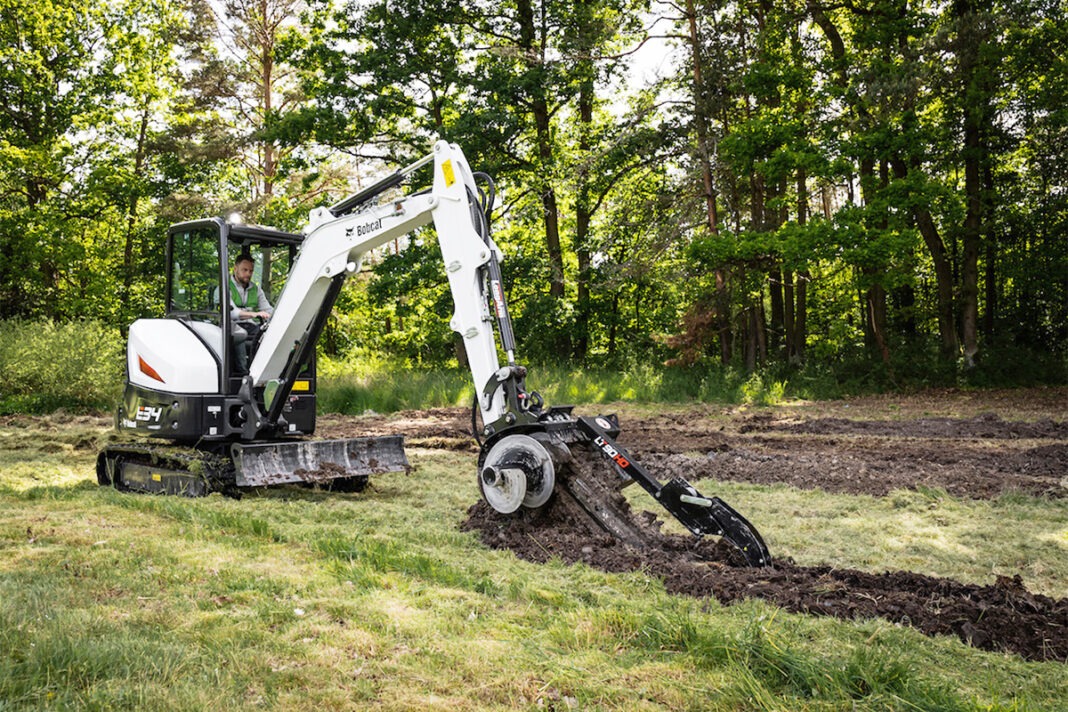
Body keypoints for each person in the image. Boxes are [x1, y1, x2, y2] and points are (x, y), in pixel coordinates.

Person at [229, 253, 273, 372]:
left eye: (251, 271)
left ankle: (266, 371)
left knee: (269, 333)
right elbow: (232, 313)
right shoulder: (224, 287)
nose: (248, 274)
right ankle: (244, 372)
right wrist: (254, 314)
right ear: (235, 268)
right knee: (240, 334)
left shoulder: (256, 289)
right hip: (231, 326)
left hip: (252, 326)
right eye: (245, 270)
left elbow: (268, 309)